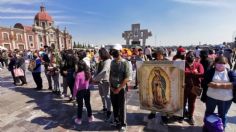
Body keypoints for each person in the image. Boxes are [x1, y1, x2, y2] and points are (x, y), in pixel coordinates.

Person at [201, 56, 235, 129]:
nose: (221, 65)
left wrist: (218, 85)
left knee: (223, 114)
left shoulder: (230, 72)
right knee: (209, 113)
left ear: (226, 64)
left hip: (225, 99)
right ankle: (207, 126)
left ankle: (221, 128)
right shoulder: (210, 71)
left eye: (223, 63)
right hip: (211, 97)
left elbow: (234, 83)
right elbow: (205, 82)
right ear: (215, 63)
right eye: (219, 63)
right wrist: (227, 85)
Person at [109, 44, 130, 131]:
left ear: (120, 52)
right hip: (113, 88)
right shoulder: (112, 62)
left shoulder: (125, 63)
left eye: (116, 51)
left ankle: (123, 123)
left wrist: (119, 88)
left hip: (121, 89)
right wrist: (111, 86)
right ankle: (116, 120)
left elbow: (127, 78)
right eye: (113, 51)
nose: (114, 53)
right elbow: (110, 74)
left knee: (122, 106)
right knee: (114, 105)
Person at [184, 51, 204, 125]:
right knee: (183, 101)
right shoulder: (183, 64)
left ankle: (190, 116)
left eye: (192, 55)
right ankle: (182, 114)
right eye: (188, 55)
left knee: (192, 103)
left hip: (194, 87)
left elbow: (202, 74)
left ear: (195, 57)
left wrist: (189, 73)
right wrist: (193, 72)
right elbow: (182, 72)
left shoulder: (198, 64)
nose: (190, 57)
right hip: (184, 86)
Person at [93, 48, 112, 121]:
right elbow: (97, 71)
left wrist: (95, 79)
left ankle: (109, 111)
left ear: (103, 54)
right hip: (100, 81)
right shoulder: (101, 61)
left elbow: (104, 71)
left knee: (107, 96)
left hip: (105, 81)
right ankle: (104, 107)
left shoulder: (108, 61)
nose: (98, 55)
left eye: (99, 54)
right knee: (102, 95)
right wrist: (94, 77)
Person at [73, 60, 93, 125]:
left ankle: (79, 119)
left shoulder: (78, 74)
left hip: (80, 92)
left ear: (79, 66)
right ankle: (90, 117)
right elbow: (90, 82)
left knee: (80, 106)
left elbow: (76, 86)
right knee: (88, 104)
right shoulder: (87, 73)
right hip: (87, 90)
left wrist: (74, 95)